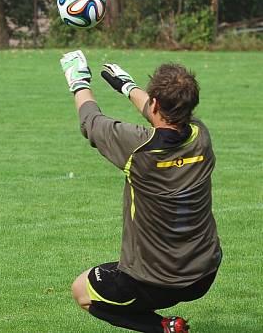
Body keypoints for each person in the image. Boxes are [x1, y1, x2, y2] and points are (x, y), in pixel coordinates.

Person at [58, 50, 222, 333]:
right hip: (203, 274)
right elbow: (167, 116)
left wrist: (78, 79)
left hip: (152, 282)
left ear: (155, 102)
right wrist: (127, 86)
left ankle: (164, 328)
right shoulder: (201, 137)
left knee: (82, 291)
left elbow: (90, 121)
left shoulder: (138, 148)